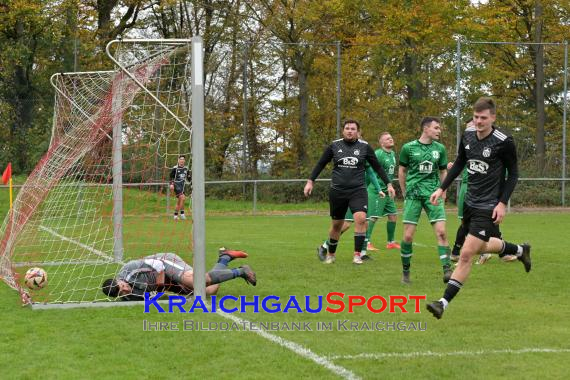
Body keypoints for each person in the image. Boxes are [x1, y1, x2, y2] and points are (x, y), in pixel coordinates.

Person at [427, 97, 531, 319]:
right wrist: (442, 188)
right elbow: (459, 163)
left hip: (489, 204)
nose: (479, 122)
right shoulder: (467, 136)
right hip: (470, 202)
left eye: (483, 118)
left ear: (493, 117)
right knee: (481, 246)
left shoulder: (504, 141)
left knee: (466, 254)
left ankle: (442, 303)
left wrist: (502, 203)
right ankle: (521, 250)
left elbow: (513, 175)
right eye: (475, 117)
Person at [305, 119, 395, 265]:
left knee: (360, 219)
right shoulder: (334, 145)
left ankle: (357, 255)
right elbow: (321, 163)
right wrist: (310, 181)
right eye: (347, 128)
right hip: (338, 191)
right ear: (343, 130)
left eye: (353, 129)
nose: (349, 131)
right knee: (337, 225)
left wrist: (388, 184)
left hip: (358, 190)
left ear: (357, 132)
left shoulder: (365, 147)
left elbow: (377, 168)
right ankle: (331, 254)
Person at [398, 117, 452, 285]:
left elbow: (443, 172)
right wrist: (405, 192)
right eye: (436, 128)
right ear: (426, 129)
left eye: (439, 128)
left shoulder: (440, 149)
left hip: (433, 195)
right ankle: (406, 273)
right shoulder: (408, 148)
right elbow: (402, 171)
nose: (439, 131)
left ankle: (447, 270)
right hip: (413, 195)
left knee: (441, 232)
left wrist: (443, 190)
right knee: (407, 236)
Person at [101, 248, 256, 301]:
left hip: (165, 263)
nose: (125, 290)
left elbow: (158, 265)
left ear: (119, 280)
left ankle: (241, 271)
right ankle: (225, 257)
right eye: (122, 293)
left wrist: (160, 288)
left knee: (195, 281)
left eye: (123, 287)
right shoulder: (128, 297)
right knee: (208, 291)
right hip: (165, 283)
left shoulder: (130, 269)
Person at [365, 132, 400, 252]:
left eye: (391, 137)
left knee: (393, 216)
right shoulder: (378, 154)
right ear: (381, 143)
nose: (391, 139)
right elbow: (369, 172)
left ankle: (390, 242)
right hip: (377, 190)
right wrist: (365, 187)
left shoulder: (392, 154)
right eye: (387, 139)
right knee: (373, 217)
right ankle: (366, 242)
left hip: (388, 190)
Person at [169, 155, 190, 220]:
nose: (182, 160)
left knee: (179, 201)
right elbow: (171, 177)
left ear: (184, 161)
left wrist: (191, 182)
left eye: (183, 159)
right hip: (176, 185)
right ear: (178, 160)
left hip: (182, 186)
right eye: (180, 159)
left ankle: (175, 215)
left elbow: (189, 178)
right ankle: (182, 213)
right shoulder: (175, 168)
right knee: (183, 198)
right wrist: (171, 184)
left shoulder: (186, 168)